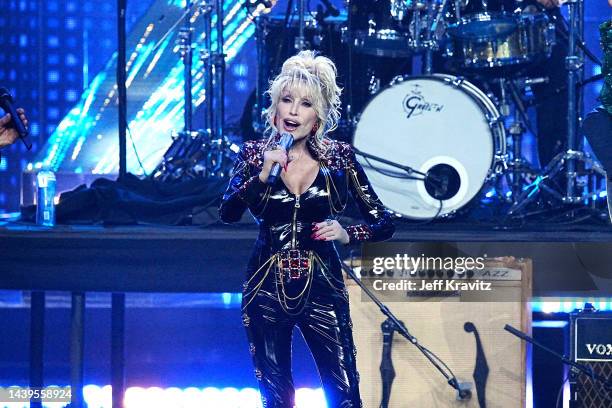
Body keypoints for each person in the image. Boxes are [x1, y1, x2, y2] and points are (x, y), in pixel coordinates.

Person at [219, 50, 395, 407]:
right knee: (276, 398)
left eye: (305, 104)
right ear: (275, 108)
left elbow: (384, 220)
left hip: (323, 286)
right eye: (287, 101)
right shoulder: (255, 155)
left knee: (345, 396)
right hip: (265, 287)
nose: (293, 112)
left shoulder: (339, 158)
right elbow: (227, 212)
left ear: (318, 116)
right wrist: (262, 175)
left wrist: (349, 234)